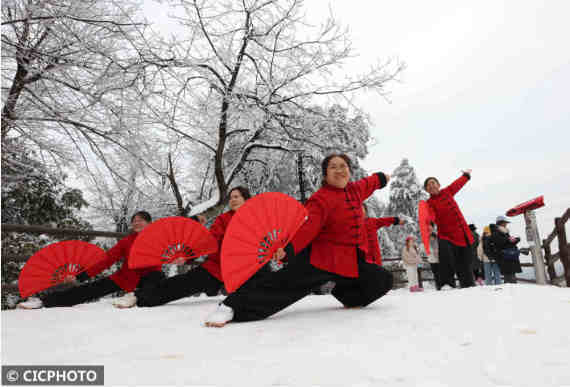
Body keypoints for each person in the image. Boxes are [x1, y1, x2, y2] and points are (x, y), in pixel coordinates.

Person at [204, 153, 394, 327]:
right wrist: (289, 249)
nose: (340, 170)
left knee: (382, 279)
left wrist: (381, 178)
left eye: (343, 166)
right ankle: (230, 307)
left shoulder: (355, 190)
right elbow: (307, 228)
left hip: (349, 261)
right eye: (333, 167)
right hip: (322, 258)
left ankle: (347, 296)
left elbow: (370, 183)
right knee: (281, 287)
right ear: (325, 175)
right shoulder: (321, 199)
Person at [112, 187, 251, 308]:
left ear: (246, 199)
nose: (232, 200)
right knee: (182, 284)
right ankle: (138, 296)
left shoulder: (254, 220)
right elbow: (208, 242)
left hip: (245, 270)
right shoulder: (223, 220)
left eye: (236, 197)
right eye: (231, 197)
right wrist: (187, 256)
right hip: (218, 267)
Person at [17, 211, 164, 309]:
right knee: (91, 289)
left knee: (157, 279)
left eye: (141, 220)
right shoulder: (126, 242)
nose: (137, 223)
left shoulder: (160, 238)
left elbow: (167, 255)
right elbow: (106, 261)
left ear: (150, 223)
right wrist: (80, 276)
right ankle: (45, 301)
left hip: (150, 276)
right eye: (134, 221)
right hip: (126, 277)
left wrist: (181, 260)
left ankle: (134, 297)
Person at [424, 170, 476, 289]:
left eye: (433, 183)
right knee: (447, 259)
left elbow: (457, 184)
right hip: (447, 236)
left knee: (465, 264)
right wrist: (430, 223)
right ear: (427, 190)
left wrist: (466, 176)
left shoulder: (447, 192)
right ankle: (447, 285)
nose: (431, 186)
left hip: (463, 234)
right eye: (428, 185)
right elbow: (430, 214)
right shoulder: (429, 203)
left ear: (439, 185)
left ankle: (468, 285)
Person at [489, 216, 522, 284]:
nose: (506, 224)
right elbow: (501, 243)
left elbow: (506, 242)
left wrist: (515, 240)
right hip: (505, 257)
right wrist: (512, 240)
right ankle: (511, 290)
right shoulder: (496, 232)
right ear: (501, 223)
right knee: (509, 276)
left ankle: (511, 289)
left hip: (507, 256)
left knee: (510, 275)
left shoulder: (503, 232)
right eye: (505, 223)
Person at [427, 223, 441, 290]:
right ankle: (438, 285)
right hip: (431, 258)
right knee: (435, 272)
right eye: (428, 227)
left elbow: (437, 246)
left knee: (438, 272)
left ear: (433, 227)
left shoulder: (435, 235)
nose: (429, 228)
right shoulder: (426, 236)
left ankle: (439, 285)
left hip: (437, 256)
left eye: (430, 227)